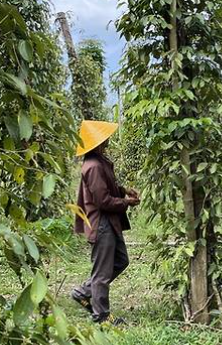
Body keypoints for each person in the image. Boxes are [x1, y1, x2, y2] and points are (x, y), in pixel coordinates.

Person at [71, 120, 140, 325]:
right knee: (101, 274)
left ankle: (83, 292)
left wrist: (123, 191)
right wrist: (126, 202)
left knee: (121, 260)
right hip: (101, 224)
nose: (108, 139)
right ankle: (102, 317)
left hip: (108, 223)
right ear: (97, 142)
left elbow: (107, 188)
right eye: (104, 137)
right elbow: (103, 201)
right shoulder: (92, 166)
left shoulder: (99, 161)